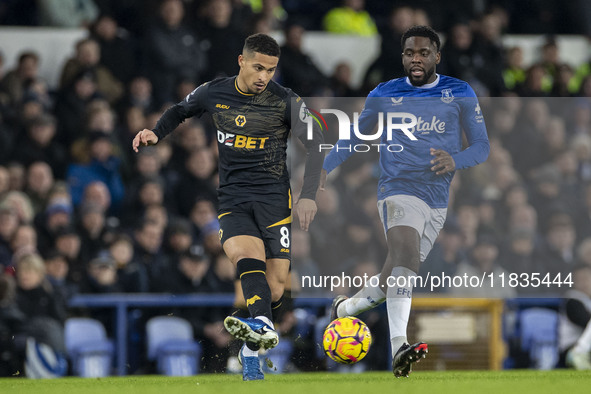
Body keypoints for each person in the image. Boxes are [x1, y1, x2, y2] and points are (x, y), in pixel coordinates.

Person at [132, 33, 323, 381]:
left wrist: (309, 194)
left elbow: (316, 144)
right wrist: (157, 133)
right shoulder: (214, 91)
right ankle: (261, 327)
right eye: (258, 67)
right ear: (241, 61)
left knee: (277, 286)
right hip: (232, 198)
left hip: (274, 200)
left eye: (271, 69)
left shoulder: (285, 101)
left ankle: (252, 345)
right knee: (244, 259)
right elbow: (180, 110)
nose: (264, 76)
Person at [322, 25, 489, 377]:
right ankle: (400, 346)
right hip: (397, 188)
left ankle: (346, 309)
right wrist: (323, 169)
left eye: (423, 53)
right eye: (410, 53)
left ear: (436, 56)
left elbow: (481, 147)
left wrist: (454, 160)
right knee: (406, 256)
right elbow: (354, 136)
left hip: (437, 199)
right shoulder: (384, 93)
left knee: (394, 274)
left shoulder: (459, 92)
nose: (416, 59)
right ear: (402, 57)